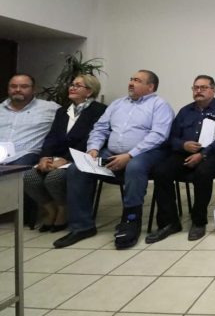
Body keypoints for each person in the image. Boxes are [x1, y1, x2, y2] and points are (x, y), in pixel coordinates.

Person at [54, 70, 174, 249]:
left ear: (151, 87)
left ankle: (131, 221)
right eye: (131, 79)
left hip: (146, 153)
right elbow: (100, 128)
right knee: (78, 168)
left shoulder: (159, 105)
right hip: (110, 153)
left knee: (134, 167)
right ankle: (82, 226)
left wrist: (130, 155)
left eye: (137, 80)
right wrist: (93, 149)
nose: (131, 83)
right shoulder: (118, 104)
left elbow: (158, 135)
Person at [146, 75, 215, 243]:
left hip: (213, 154)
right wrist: (183, 145)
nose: (198, 91)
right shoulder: (185, 111)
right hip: (184, 153)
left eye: (203, 87)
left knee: (203, 172)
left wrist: (202, 154)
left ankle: (198, 221)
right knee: (161, 171)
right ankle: (169, 222)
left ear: (213, 91)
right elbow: (171, 138)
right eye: (195, 88)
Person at [24, 75, 107, 232]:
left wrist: (66, 159)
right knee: (29, 177)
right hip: (56, 157)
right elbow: (51, 137)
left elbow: (90, 140)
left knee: (54, 178)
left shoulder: (99, 111)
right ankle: (51, 209)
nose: (72, 87)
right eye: (72, 84)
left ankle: (64, 209)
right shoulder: (62, 111)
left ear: (89, 91)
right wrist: (45, 157)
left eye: (78, 85)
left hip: (80, 157)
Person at [0, 74, 59, 166]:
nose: (18, 90)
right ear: (8, 89)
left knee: (17, 168)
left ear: (34, 89)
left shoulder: (50, 108)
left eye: (24, 86)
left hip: (25, 156)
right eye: (13, 86)